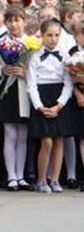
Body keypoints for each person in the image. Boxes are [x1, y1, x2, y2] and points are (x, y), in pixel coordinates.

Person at [27, 19, 74, 193]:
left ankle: (55, 179)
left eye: (56, 35)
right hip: (42, 99)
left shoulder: (65, 56)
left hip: (59, 100)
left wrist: (59, 105)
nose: (53, 39)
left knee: (59, 140)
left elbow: (68, 83)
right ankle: (41, 179)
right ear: (42, 35)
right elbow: (31, 85)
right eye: (49, 35)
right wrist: (40, 106)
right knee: (46, 141)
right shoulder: (34, 57)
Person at [0, 6, 32, 191]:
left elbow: (37, 70)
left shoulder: (32, 43)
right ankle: (11, 176)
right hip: (6, 90)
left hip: (24, 90)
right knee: (10, 133)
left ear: (24, 21)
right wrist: (3, 70)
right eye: (10, 20)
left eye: (17, 20)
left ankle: (21, 175)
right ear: (5, 22)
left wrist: (25, 72)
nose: (14, 24)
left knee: (23, 135)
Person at [67, 20, 84, 191]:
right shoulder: (72, 53)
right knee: (81, 137)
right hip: (79, 98)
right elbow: (69, 78)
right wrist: (78, 94)